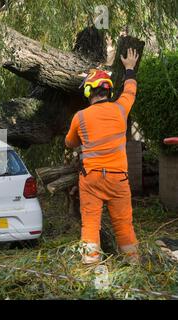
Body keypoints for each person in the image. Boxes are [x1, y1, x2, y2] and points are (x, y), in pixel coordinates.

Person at [65, 49, 140, 265]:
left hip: (92, 180)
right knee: (124, 225)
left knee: (90, 225)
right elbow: (130, 91)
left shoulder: (80, 117)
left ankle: (91, 267)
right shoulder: (120, 110)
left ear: (89, 91)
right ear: (108, 91)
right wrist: (129, 68)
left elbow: (69, 143)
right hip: (119, 180)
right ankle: (134, 265)